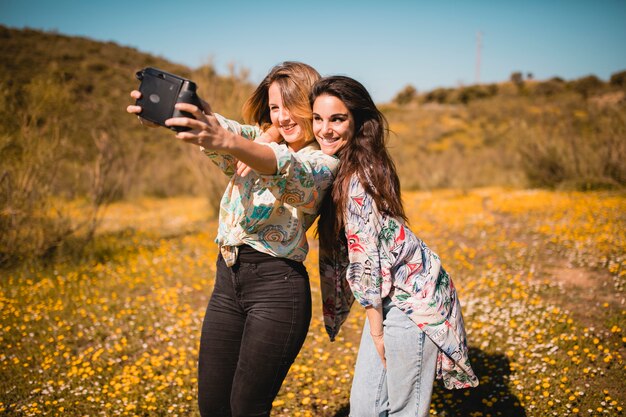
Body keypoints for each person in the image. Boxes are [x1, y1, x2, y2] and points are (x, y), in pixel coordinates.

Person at [127, 62, 339, 417]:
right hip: (227, 283)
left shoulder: (323, 161)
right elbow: (223, 130)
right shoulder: (254, 140)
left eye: (291, 105)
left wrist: (240, 143)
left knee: (246, 408)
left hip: (277, 289)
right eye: (274, 107)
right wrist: (187, 115)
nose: (283, 117)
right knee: (212, 406)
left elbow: (288, 170)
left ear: (312, 105)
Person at [311, 76, 479, 417]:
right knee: (365, 409)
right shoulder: (343, 165)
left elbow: (366, 258)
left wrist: (375, 330)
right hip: (390, 298)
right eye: (318, 118)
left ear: (357, 121)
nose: (324, 129)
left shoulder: (359, 176)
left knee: (402, 409)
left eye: (337, 119)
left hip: (411, 302)